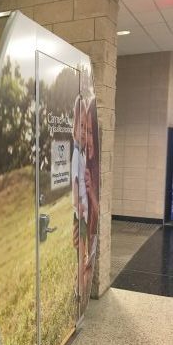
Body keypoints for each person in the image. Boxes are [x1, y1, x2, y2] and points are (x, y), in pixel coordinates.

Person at [71, 94, 88, 303]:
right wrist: (82, 209)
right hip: (81, 216)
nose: (83, 132)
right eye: (80, 125)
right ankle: (80, 292)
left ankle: (78, 288)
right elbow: (75, 195)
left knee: (81, 257)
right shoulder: (76, 156)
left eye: (86, 127)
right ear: (74, 126)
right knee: (82, 257)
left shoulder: (81, 153)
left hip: (82, 215)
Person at [83, 98, 100, 298]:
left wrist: (93, 196)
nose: (87, 138)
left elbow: (100, 212)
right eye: (84, 131)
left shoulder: (97, 169)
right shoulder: (87, 165)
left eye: (90, 132)